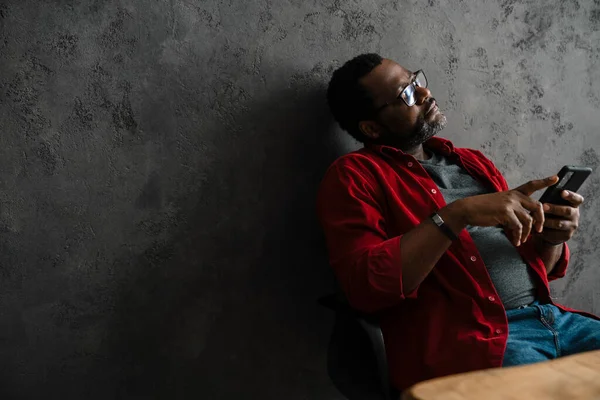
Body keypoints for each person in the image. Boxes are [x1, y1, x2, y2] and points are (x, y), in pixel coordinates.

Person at [317, 53, 600, 391]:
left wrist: (552, 237)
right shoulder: (354, 176)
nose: (424, 94)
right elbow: (366, 286)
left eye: (416, 81)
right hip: (479, 342)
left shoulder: (471, 162)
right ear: (371, 127)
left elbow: (539, 265)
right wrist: (456, 214)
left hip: (554, 320)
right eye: (405, 94)